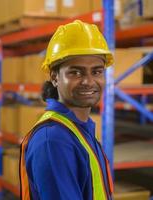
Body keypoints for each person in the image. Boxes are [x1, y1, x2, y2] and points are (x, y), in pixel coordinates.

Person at [19, 20, 114, 200]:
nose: (88, 81)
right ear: (55, 77)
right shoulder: (53, 140)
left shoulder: (79, 130)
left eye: (97, 71)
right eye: (76, 72)